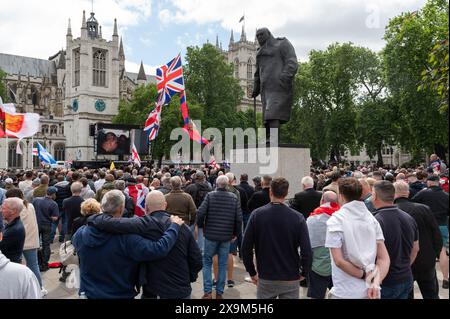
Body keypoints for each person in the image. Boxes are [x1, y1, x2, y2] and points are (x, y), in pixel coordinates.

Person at [87, 190, 203, 299]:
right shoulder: (183, 227)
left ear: (146, 207)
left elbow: (113, 224)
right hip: (179, 288)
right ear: (165, 205)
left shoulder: (143, 224)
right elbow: (196, 259)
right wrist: (189, 277)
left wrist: (93, 218)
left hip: (152, 288)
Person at [242, 177, 312, 299]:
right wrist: (304, 272)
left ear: (270, 192)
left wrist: (252, 272)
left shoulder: (257, 215)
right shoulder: (298, 218)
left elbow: (246, 247)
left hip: (266, 275)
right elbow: (307, 251)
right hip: (290, 276)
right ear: (286, 193)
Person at [325, 178, 390, 299]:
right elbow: (384, 258)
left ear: (341, 196)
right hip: (370, 289)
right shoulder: (372, 219)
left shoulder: (336, 220)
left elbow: (339, 261)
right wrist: (375, 282)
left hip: (346, 291)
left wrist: (365, 276)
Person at [394, 181, 442, 299]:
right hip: (426, 259)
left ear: (394, 194)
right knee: (431, 294)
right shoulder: (423, 209)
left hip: (403, 262)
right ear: (408, 193)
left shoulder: (391, 212)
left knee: (407, 295)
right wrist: (435, 254)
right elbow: (436, 235)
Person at [197, 175, 242, 299]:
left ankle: (207, 292)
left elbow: (200, 213)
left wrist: (202, 226)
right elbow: (238, 219)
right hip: (226, 236)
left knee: (207, 262)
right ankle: (219, 293)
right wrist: (235, 234)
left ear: (216, 184)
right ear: (227, 185)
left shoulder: (210, 196)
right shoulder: (233, 198)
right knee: (222, 264)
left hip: (211, 234)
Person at [372, 180, 419, 299]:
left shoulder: (375, 221)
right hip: (406, 277)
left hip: (386, 281)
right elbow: (416, 248)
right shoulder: (409, 218)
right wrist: (405, 266)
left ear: (375, 195)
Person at [252, 27, 298, 145]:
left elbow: (292, 62)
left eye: (261, 34)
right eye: (257, 36)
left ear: (268, 34)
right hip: (265, 89)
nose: (259, 37)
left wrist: (284, 77)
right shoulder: (259, 52)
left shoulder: (282, 44)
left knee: (272, 113)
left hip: (279, 87)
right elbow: (258, 72)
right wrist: (255, 88)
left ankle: (273, 139)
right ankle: (269, 138)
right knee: (266, 117)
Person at [413, 174, 449, 289]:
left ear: (428, 182)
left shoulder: (424, 193)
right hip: (442, 224)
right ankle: (445, 278)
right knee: (442, 251)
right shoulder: (446, 195)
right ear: (438, 182)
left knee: (423, 249)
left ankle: (424, 276)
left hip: (426, 225)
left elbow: (413, 203)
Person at [5, 189, 43, 293]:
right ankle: (39, 288)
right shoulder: (30, 206)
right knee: (34, 265)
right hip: (32, 240)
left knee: (18, 266)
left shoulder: (16, 209)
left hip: (20, 241)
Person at [306, 191, 340, 299]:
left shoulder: (312, 219)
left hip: (317, 265)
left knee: (316, 295)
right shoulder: (342, 217)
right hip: (339, 266)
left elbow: (306, 245)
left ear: (322, 201)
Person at [33, 187, 59, 271]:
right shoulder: (53, 204)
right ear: (53, 194)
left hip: (36, 224)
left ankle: (37, 261)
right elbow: (55, 218)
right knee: (46, 244)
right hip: (46, 225)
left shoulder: (36, 200)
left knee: (36, 244)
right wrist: (49, 217)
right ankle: (44, 262)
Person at [0, 198, 25, 263]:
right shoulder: (13, 225)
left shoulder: (14, 229)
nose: (1, 210)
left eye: (3, 208)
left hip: (9, 266)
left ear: (13, 211)